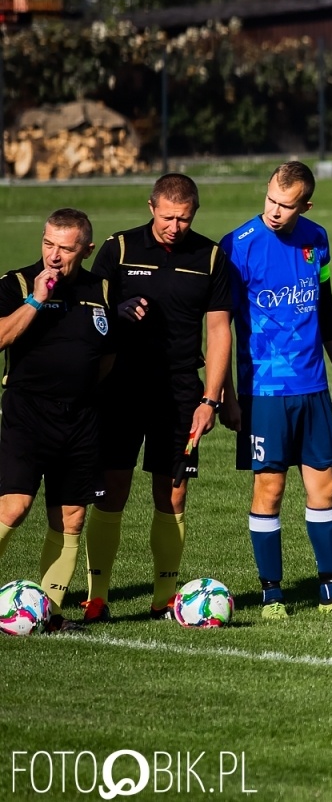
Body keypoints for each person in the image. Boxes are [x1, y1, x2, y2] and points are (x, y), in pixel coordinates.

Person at [218, 162, 332, 617]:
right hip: (263, 389)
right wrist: (227, 393)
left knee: (325, 486)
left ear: (306, 204)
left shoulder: (317, 239)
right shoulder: (237, 246)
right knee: (270, 487)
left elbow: (324, 307)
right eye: (270, 200)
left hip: (312, 386)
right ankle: (272, 595)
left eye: (286, 205)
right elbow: (221, 325)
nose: (275, 211)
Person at [85, 174, 232, 622]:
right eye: (167, 217)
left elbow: (220, 329)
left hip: (181, 391)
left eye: (184, 218)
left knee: (172, 494)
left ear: (195, 213)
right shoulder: (120, 249)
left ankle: (165, 597)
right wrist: (117, 311)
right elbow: (87, 312)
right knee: (111, 491)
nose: (174, 226)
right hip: (121, 388)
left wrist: (211, 400)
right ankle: (97, 596)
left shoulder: (210, 256)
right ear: (151, 207)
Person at [0, 210, 114, 631]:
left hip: (81, 418)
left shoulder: (99, 288)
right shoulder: (15, 284)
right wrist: (36, 299)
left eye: (66, 249)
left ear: (86, 250)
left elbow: (107, 353)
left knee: (71, 517)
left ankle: (46, 614)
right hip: (27, 412)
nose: (54, 255)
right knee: (14, 507)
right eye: (48, 244)